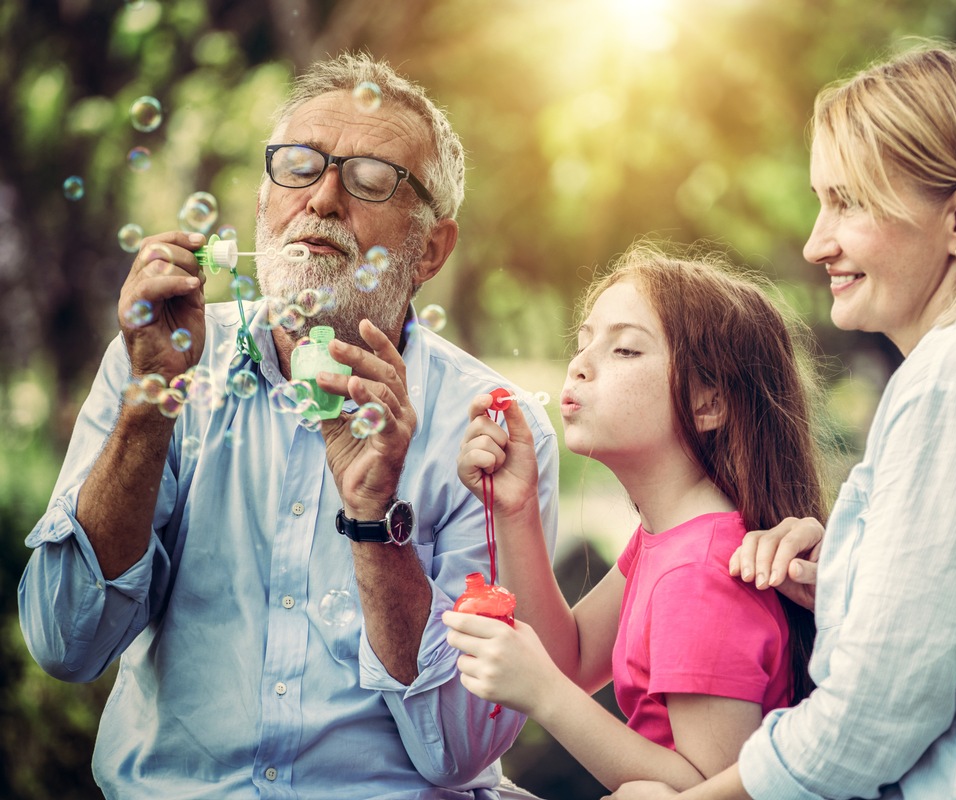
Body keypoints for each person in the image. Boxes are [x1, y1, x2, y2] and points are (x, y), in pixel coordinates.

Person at [608, 41, 956, 800]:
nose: (817, 242)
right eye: (819, 201)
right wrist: (845, 575)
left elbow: (869, 721)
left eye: (849, 202)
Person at [18, 53, 559, 798]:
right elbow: (64, 641)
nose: (325, 198)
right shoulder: (162, 361)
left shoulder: (495, 429)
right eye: (299, 167)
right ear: (265, 200)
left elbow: (461, 751)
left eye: (371, 178)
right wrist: (151, 401)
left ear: (431, 248)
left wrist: (375, 522)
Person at [442, 244, 828, 793]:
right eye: (584, 342)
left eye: (624, 349)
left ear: (709, 402)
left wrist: (544, 694)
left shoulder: (699, 573)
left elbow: (709, 788)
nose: (580, 363)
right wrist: (517, 509)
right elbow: (572, 658)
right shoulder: (669, 540)